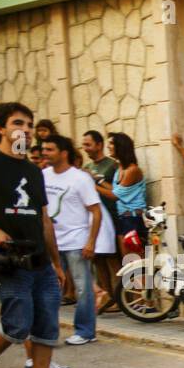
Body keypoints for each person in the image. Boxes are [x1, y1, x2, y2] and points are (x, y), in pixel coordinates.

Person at [0, 102, 77, 368]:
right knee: (17, 324)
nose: (27, 130)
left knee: (46, 325)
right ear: (0, 128)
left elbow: (44, 219)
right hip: (9, 258)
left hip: (39, 260)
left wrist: (57, 263)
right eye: (19, 123)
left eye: (30, 125)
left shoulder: (33, 170)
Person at [42, 135, 104, 346]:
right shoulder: (43, 176)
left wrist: (91, 242)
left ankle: (86, 331)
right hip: (51, 242)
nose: (44, 153)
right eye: (44, 149)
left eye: (50, 149)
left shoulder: (80, 178)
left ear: (63, 153)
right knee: (49, 289)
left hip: (76, 241)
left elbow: (96, 212)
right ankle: (46, 334)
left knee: (83, 288)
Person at [79, 130, 121, 313]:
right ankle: (107, 295)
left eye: (88, 144)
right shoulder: (87, 166)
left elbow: (116, 192)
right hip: (92, 220)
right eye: (84, 145)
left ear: (99, 145)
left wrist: (94, 181)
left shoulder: (112, 166)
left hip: (111, 217)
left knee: (113, 259)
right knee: (98, 259)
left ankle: (122, 298)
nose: (85, 148)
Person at [99, 132, 147, 258]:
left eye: (111, 143)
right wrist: (98, 180)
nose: (108, 146)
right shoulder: (120, 169)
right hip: (123, 219)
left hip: (133, 219)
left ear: (120, 146)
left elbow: (115, 196)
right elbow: (116, 190)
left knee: (136, 263)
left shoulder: (132, 170)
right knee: (127, 263)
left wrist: (91, 186)